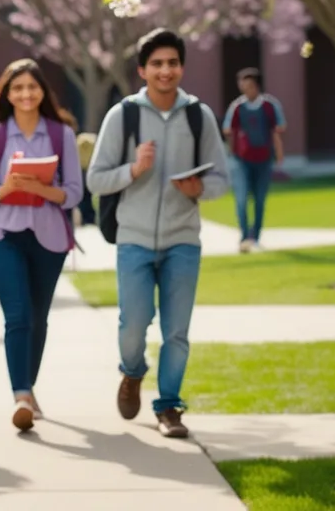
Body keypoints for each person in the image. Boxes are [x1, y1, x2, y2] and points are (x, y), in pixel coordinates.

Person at [87, 29, 229, 439]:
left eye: (172, 63)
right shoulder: (123, 115)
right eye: (157, 64)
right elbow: (96, 179)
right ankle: (132, 373)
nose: (165, 71)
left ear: (181, 67)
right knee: (133, 324)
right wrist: (132, 170)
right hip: (133, 238)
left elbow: (222, 178)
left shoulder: (198, 115)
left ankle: (169, 407)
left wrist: (198, 189)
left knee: (177, 331)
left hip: (183, 239)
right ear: (143, 70)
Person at [0, 59, 83, 432]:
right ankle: (21, 395)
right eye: (17, 88)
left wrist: (40, 188)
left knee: (38, 318)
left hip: (49, 239)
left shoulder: (61, 134)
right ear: (7, 93)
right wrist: (10, 187)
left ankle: (28, 387)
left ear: (42, 92)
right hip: (4, 235)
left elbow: (73, 194)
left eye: (31, 87)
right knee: (17, 315)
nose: (25, 94)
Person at [222, 67, 286, 252]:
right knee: (241, 199)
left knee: (259, 200)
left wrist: (279, 154)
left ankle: (255, 236)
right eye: (242, 85)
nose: (245, 89)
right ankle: (244, 237)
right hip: (241, 160)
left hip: (264, 159)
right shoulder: (237, 107)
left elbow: (278, 129)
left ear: (256, 86)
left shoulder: (269, 106)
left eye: (248, 85)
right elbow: (228, 130)